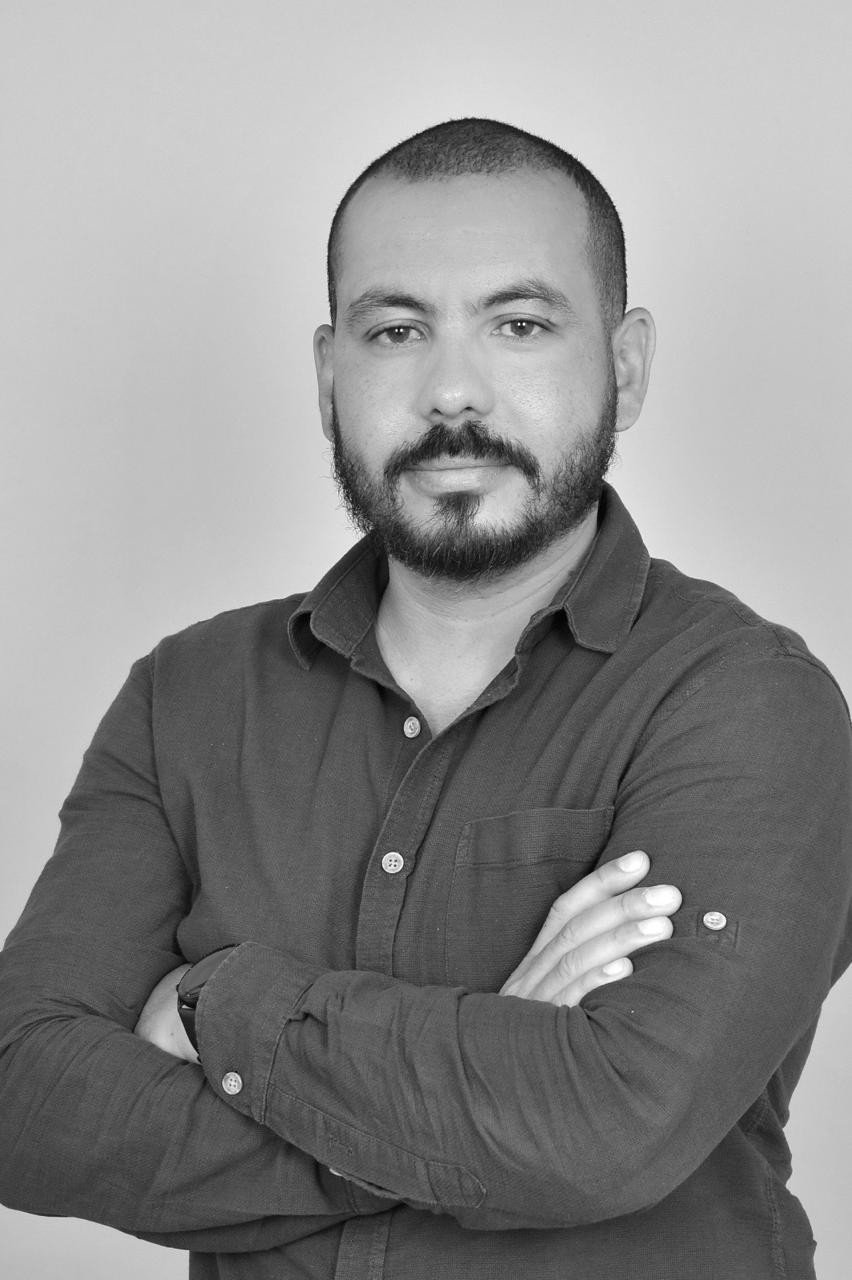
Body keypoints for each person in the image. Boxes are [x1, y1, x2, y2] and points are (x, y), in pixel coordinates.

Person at [1, 117, 850, 1280]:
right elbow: (23, 1094)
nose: (452, 389)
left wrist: (214, 1004)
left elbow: (609, 1128)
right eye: (396, 330)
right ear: (328, 375)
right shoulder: (187, 697)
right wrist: (479, 1093)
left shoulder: (747, 704)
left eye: (519, 323)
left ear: (626, 365)